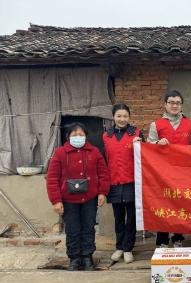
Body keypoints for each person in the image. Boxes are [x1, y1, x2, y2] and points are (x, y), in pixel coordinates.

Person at [46, 122, 110, 271]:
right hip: (68, 201)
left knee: (88, 228)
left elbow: (103, 174)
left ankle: (87, 257)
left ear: (86, 136)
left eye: (81, 135)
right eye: (74, 135)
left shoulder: (94, 152)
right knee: (73, 230)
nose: (78, 137)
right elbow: (52, 178)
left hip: (90, 199)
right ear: (68, 137)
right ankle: (74, 258)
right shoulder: (60, 153)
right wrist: (56, 200)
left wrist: (102, 192)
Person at [148, 90, 191, 248]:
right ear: (165, 105)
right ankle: (162, 239)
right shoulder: (156, 124)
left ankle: (178, 237)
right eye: (171, 102)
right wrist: (156, 144)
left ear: (181, 105)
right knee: (163, 203)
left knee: (180, 204)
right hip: (162, 173)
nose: (175, 105)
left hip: (183, 172)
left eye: (178, 103)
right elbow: (148, 147)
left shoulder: (190, 124)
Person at [103, 103, 145, 263]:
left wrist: (141, 143)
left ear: (129, 117)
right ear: (113, 117)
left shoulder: (136, 133)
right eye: (119, 116)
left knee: (132, 217)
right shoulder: (106, 136)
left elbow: (145, 155)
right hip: (114, 182)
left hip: (132, 181)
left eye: (125, 116)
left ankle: (128, 248)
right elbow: (104, 159)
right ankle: (119, 247)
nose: (122, 119)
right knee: (118, 217)